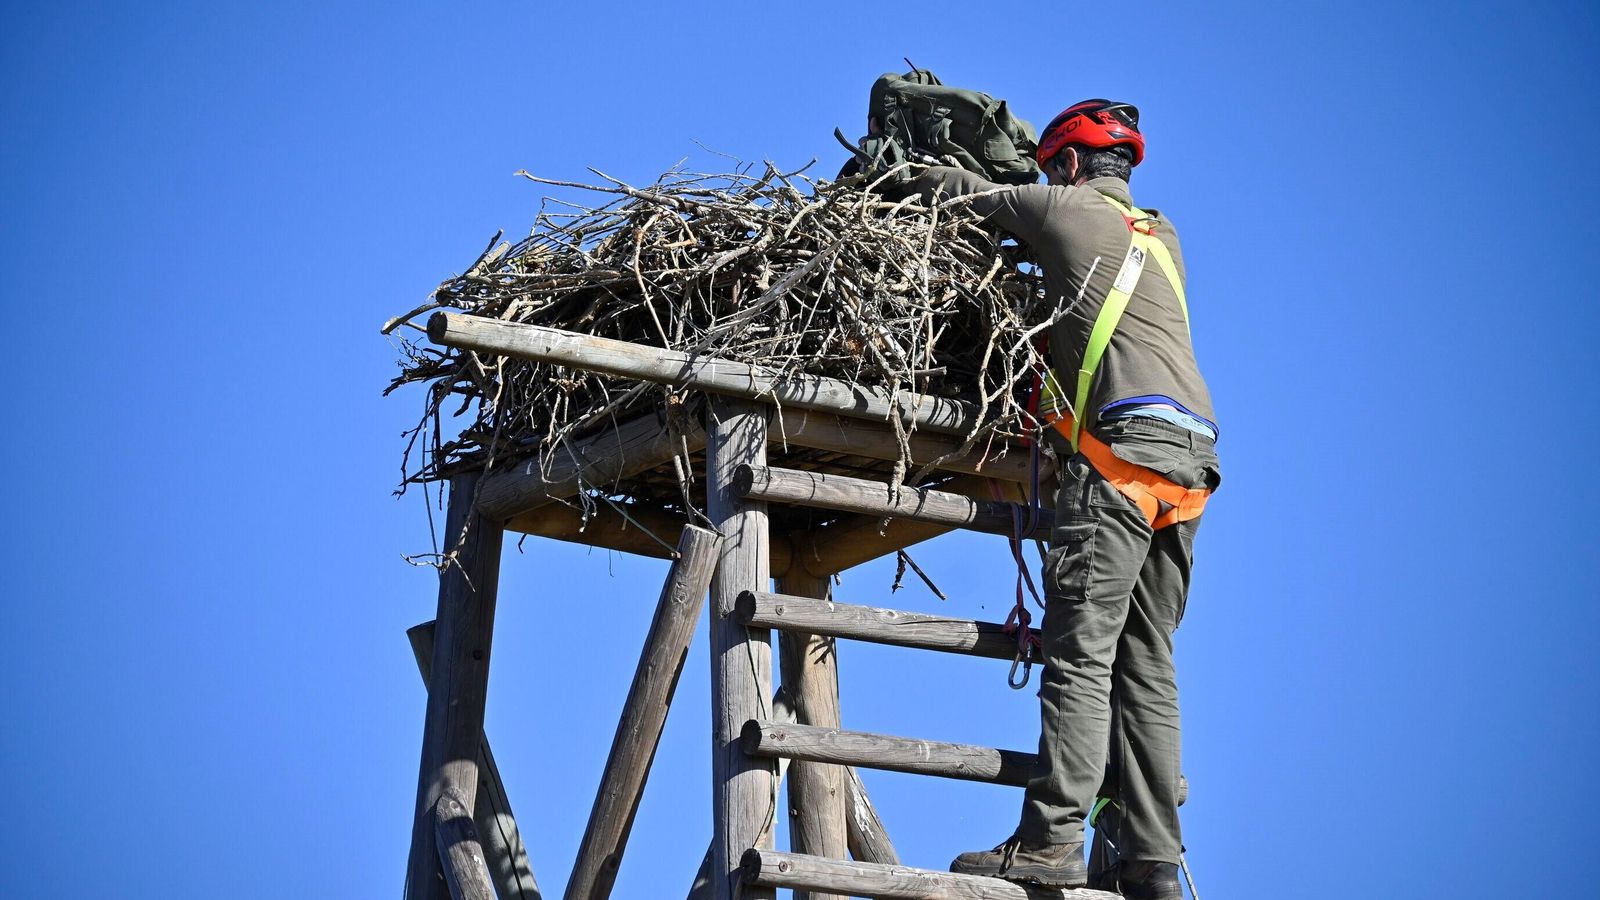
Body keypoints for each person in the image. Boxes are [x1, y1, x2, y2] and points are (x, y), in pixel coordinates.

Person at [905, 100, 1221, 900]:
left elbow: (954, 190)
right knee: (1148, 664)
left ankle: (1050, 843)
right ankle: (1150, 859)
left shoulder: (1064, 207)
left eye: (1053, 168)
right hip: (1188, 472)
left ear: (1071, 167)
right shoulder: (1166, 235)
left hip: (1116, 463)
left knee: (1078, 660)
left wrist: (914, 165)